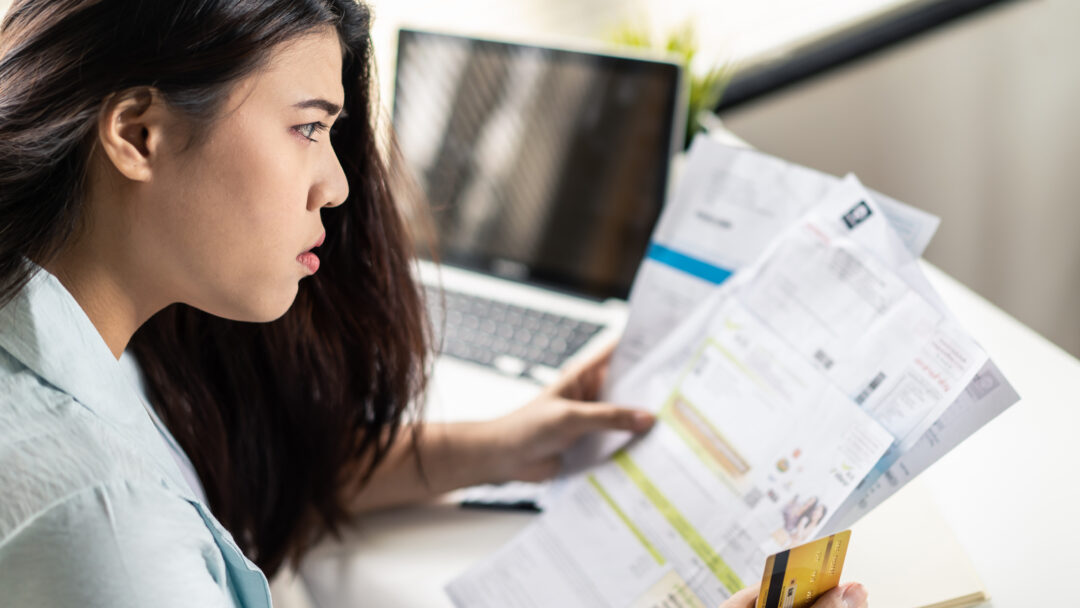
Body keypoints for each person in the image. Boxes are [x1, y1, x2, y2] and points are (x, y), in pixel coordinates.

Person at [0, 2, 867, 607]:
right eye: (308, 126)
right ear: (138, 135)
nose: (336, 184)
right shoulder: (101, 529)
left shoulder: (62, 333)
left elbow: (235, 485)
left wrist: (501, 447)